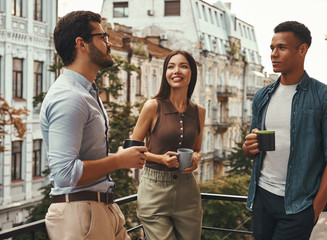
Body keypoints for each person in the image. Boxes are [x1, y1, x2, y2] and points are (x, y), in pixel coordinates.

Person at [40, 11, 147, 240]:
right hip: (80, 214)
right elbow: (64, 174)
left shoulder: (85, 92)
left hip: (101, 208)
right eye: (103, 37)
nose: (109, 43)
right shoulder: (69, 97)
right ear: (82, 44)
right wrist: (119, 160)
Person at [242, 21, 327, 240]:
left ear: (302, 50)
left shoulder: (326, 97)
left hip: (299, 205)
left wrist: (315, 210)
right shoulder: (262, 96)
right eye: (272, 48)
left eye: (282, 47)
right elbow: (253, 149)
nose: (273, 54)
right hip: (262, 199)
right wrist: (248, 147)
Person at [131, 50, 206, 240]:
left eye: (183, 66)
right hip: (154, 189)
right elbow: (131, 148)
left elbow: (197, 149)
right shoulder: (152, 106)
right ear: (165, 73)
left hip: (188, 191)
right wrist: (160, 159)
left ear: (192, 73)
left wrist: (196, 158)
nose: (176, 71)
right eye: (170, 67)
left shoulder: (199, 112)